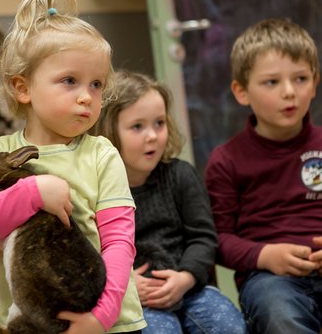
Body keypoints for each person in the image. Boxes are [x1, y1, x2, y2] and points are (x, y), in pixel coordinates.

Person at [0, 0, 146, 334]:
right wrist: (31, 193)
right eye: (70, 81)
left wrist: (100, 317)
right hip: (22, 323)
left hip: (103, 323)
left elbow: (119, 242)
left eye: (96, 85)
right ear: (23, 88)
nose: (86, 98)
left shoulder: (101, 154)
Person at [92, 70, 247, 334]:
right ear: (110, 131)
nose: (152, 135)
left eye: (159, 123)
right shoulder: (96, 189)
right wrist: (125, 287)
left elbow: (204, 238)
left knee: (228, 325)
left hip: (190, 288)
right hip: (135, 298)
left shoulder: (181, 175)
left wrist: (185, 278)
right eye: (137, 126)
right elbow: (92, 250)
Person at [204, 18, 322, 333]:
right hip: (269, 279)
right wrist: (263, 255)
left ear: (315, 82)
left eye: (300, 78)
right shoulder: (226, 160)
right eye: (272, 82)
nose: (289, 92)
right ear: (241, 92)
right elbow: (217, 240)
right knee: (280, 314)